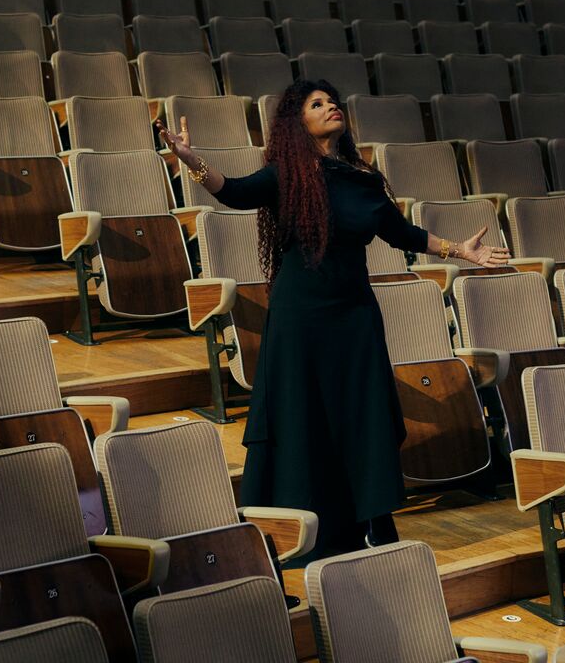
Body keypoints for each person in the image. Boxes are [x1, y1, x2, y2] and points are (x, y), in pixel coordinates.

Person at [160, 79, 510, 557]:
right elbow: (234, 193)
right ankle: (293, 529)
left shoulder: (363, 179)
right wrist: (189, 158)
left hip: (355, 318)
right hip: (300, 319)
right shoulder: (288, 173)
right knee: (301, 417)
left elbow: (400, 232)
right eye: (317, 104)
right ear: (297, 121)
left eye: (333, 102)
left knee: (363, 416)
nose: (331, 108)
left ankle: (374, 521)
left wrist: (457, 250)